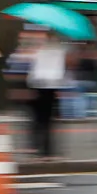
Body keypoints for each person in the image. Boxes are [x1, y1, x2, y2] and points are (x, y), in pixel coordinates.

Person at [27, 30, 69, 158]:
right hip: (52, 87)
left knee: (39, 119)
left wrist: (31, 82)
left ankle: (38, 146)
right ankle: (47, 149)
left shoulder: (39, 51)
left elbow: (34, 70)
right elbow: (60, 71)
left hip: (39, 86)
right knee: (49, 120)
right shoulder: (60, 51)